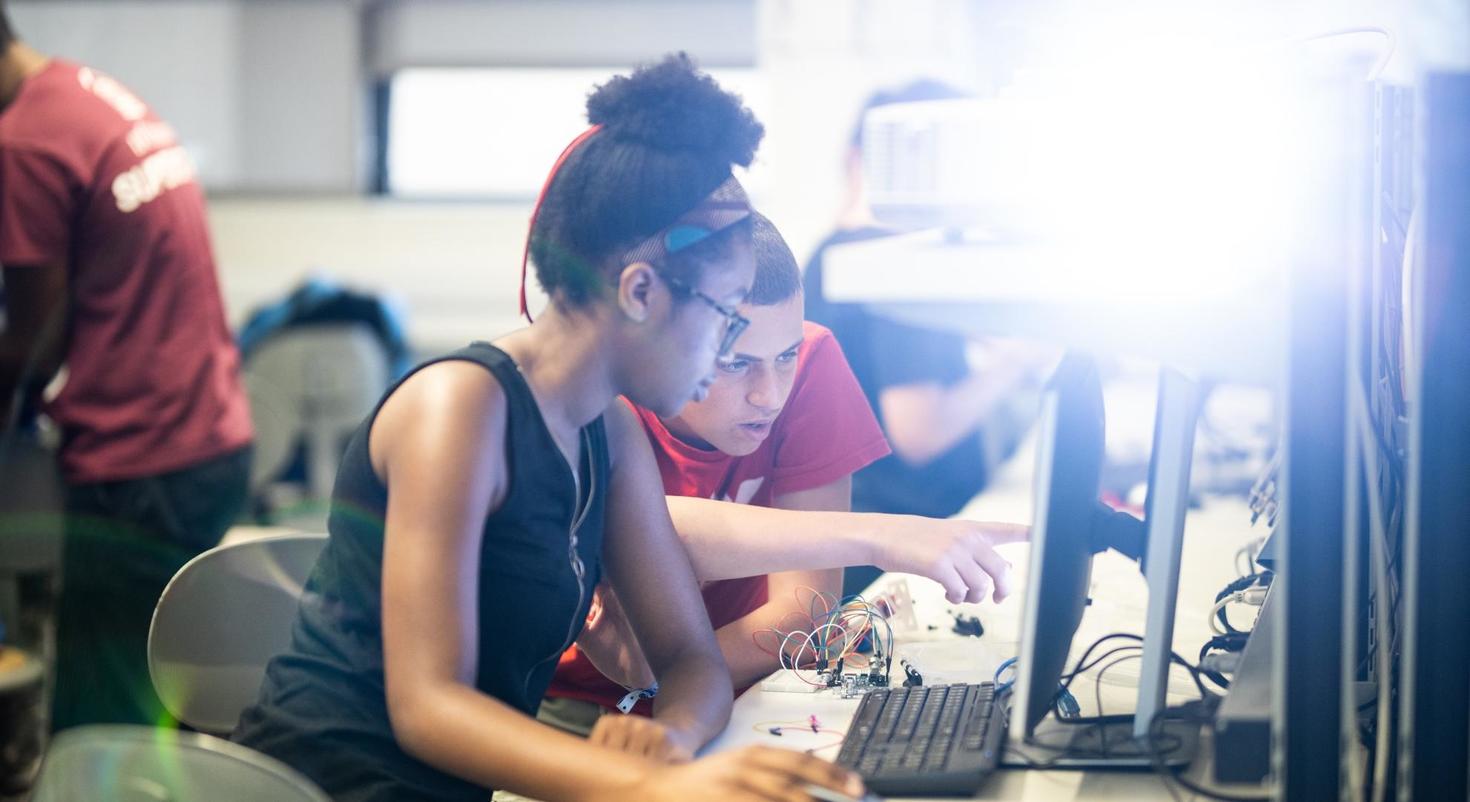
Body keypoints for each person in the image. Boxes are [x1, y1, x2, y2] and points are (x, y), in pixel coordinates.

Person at [232, 55, 867, 802]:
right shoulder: (459, 413)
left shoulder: (611, 434)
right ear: (640, 291)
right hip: (320, 786)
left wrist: (671, 740)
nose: (729, 351)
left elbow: (690, 660)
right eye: (726, 318)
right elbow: (426, 708)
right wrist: (644, 786)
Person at [542, 212, 1028, 731]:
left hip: (731, 694)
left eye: (785, 355)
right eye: (733, 363)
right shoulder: (594, 404)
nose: (768, 395)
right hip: (584, 709)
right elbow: (648, 529)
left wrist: (675, 679)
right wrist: (884, 533)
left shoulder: (815, 360)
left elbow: (804, 612)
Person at [0, 4, 254, 729]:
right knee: (160, 688)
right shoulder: (81, 95)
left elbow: (33, 343)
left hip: (138, 468)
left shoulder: (22, 142)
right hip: (208, 441)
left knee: (102, 718)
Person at [803, 79, 1047, 594]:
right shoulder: (889, 267)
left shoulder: (834, 256)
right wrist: (1019, 361)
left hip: (875, 536)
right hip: (898, 549)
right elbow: (920, 431)